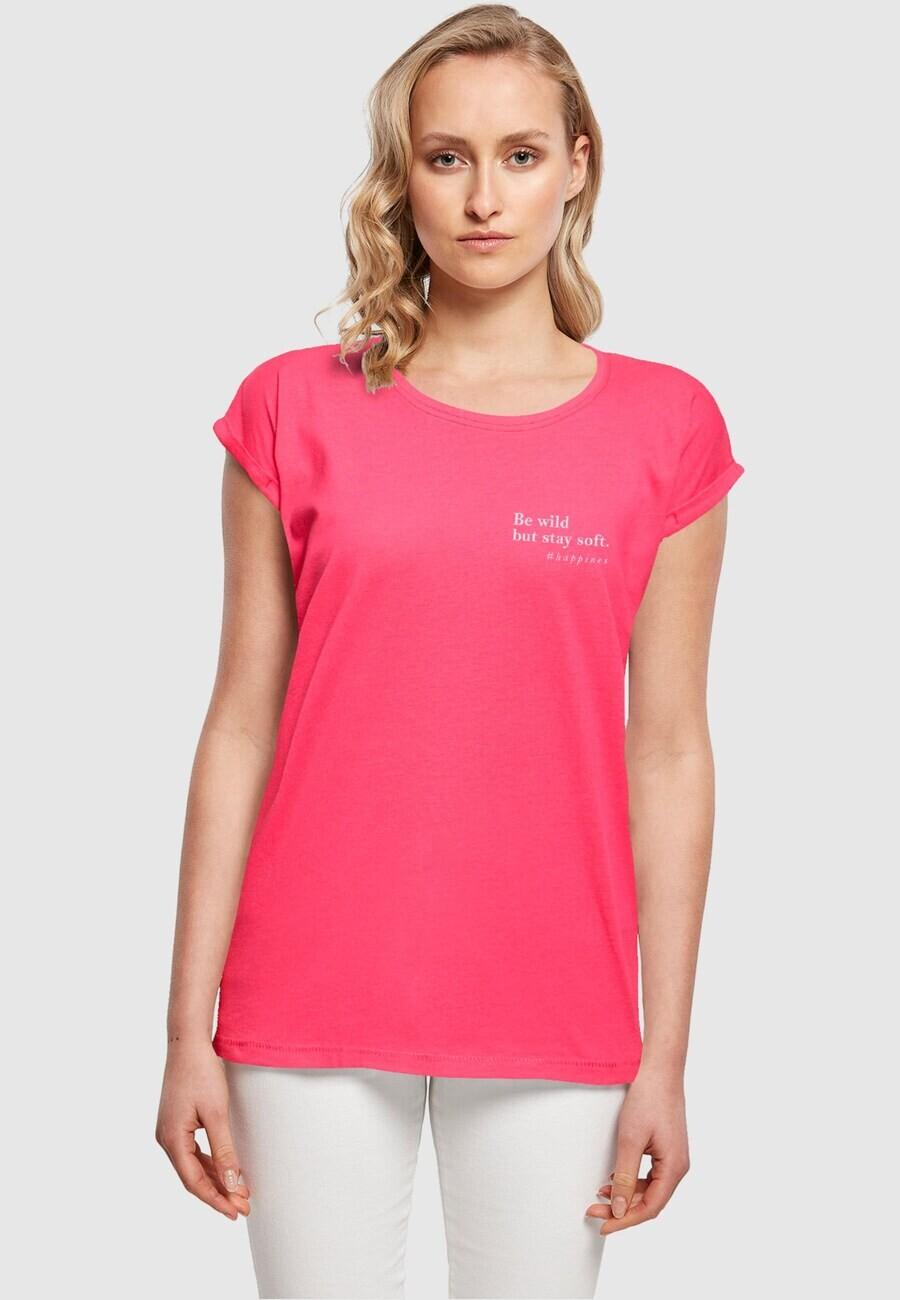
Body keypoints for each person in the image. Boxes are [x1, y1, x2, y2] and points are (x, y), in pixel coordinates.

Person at [155, 5, 746, 1297]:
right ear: (402, 174)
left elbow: (669, 751)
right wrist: (186, 1029)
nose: (485, 198)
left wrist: (665, 1052)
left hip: (556, 998)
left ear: (578, 166)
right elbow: (241, 723)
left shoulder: (667, 427)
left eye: (521, 156)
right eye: (447, 157)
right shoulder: (290, 406)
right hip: (308, 993)